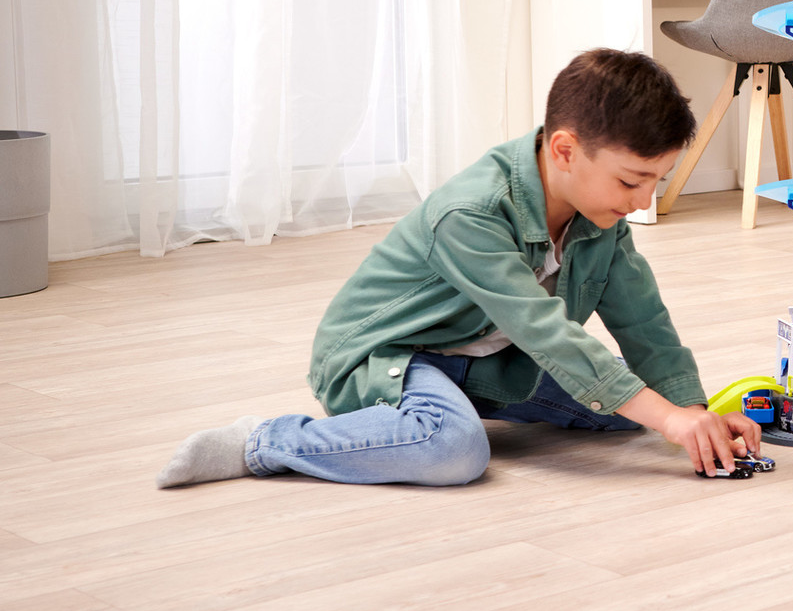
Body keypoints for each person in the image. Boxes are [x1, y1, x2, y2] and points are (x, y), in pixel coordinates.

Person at [157, 48, 759, 489]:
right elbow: (543, 329)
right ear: (565, 150)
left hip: (483, 360)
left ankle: (449, 404)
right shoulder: (471, 212)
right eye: (631, 181)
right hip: (388, 355)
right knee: (454, 451)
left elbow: (644, 321)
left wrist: (693, 413)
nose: (644, 200)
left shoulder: (600, 216)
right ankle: (265, 441)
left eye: (656, 181)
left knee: (635, 406)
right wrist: (668, 417)